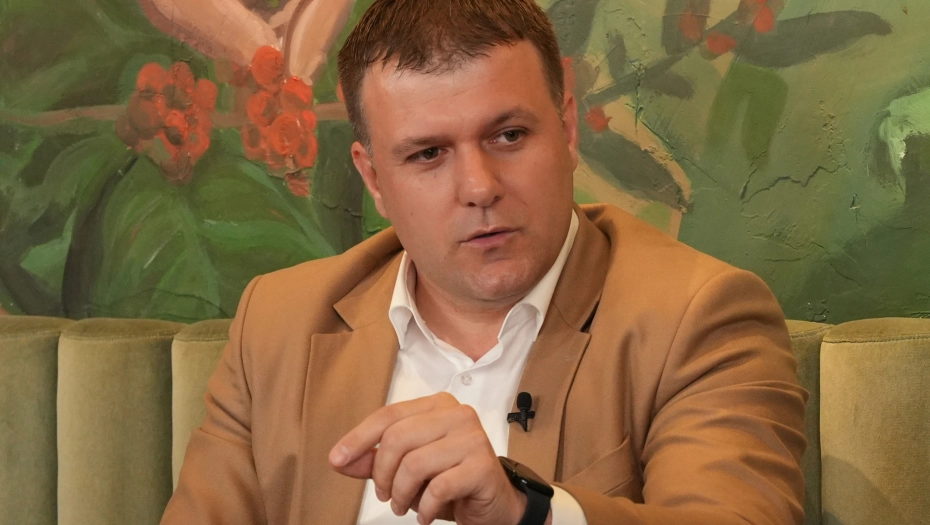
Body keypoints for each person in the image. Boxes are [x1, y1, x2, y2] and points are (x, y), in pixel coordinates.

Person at [161, 1, 807, 524]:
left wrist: (528, 514)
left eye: (508, 136)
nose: (479, 186)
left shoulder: (700, 317)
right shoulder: (277, 324)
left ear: (568, 131)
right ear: (374, 178)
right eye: (428, 154)